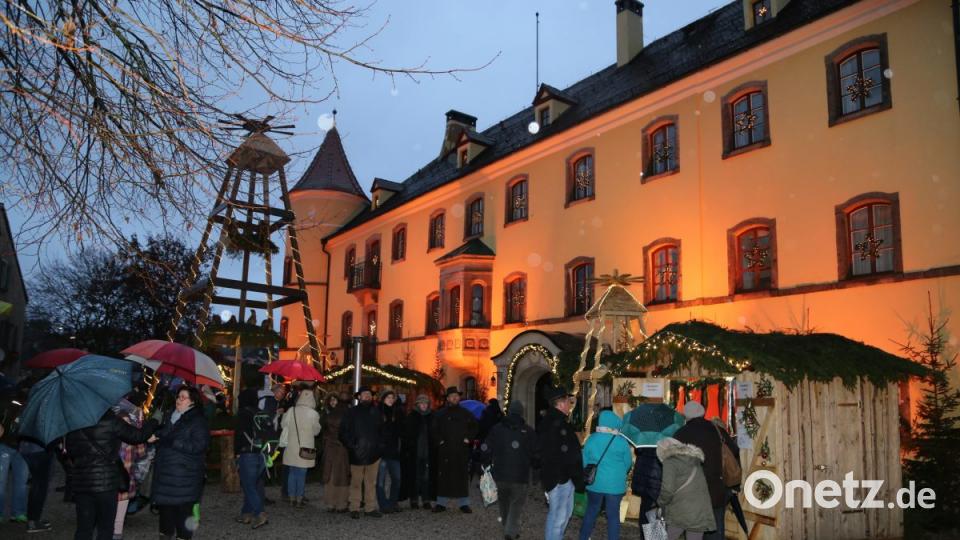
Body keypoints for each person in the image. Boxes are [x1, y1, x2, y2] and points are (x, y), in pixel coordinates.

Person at [63, 406, 157, 540]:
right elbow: (137, 436)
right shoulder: (111, 420)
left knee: (84, 528)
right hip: (107, 482)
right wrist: (152, 422)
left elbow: (71, 452)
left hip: (82, 482)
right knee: (106, 528)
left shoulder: (75, 422)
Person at [151, 385, 210, 540]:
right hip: (165, 475)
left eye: (183, 397)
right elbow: (164, 436)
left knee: (183, 515)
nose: (179, 400)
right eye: (178, 396)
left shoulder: (198, 421)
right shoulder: (170, 416)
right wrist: (156, 436)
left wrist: (172, 441)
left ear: (193, 402)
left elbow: (199, 446)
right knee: (165, 515)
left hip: (185, 476)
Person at [673, 401, 738, 540]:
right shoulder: (717, 430)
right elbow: (734, 451)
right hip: (715, 489)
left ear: (686, 415)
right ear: (703, 413)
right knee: (715, 529)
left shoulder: (680, 434)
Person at [481, 400, 535, 540]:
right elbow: (535, 452)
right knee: (516, 503)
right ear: (521, 413)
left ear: (509, 411)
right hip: (520, 474)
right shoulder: (528, 431)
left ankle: (508, 527)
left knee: (504, 502)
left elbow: (486, 447)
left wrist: (485, 462)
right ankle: (510, 531)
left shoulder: (497, 428)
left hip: (500, 473)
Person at [536, 386, 584, 540]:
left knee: (557, 516)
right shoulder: (559, 424)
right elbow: (569, 455)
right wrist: (577, 478)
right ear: (561, 403)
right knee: (559, 519)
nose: (570, 404)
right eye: (568, 401)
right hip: (560, 478)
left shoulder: (549, 422)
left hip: (555, 477)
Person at [578, 410, 634, 540]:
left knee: (591, 511)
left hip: (595, 483)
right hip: (615, 486)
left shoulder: (591, 439)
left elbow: (584, 461)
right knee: (613, 515)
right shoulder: (621, 441)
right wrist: (619, 473)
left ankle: (584, 537)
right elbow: (628, 464)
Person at [656, 436, 716, 540]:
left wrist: (660, 502)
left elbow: (668, 489)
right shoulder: (694, 459)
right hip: (700, 509)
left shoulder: (670, 462)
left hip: (680, 510)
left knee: (666, 537)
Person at [431, 386, 478, 513]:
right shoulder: (440, 413)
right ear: (447, 398)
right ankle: (441, 503)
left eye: (456, 396)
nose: (455, 397)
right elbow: (433, 429)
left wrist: (469, 438)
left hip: (461, 451)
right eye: (452, 396)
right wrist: (439, 441)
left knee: (462, 477)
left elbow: (475, 426)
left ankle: (464, 504)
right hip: (445, 451)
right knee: (443, 477)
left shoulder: (466, 413)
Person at [112, 390, 151, 540]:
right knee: (119, 513)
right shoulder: (133, 422)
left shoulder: (106, 425)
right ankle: (116, 533)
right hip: (125, 476)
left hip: (106, 477)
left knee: (106, 513)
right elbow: (141, 452)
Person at [338, 386, 383, 519]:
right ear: (359, 397)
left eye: (369, 394)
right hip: (357, 453)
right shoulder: (351, 412)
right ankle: (355, 508)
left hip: (374, 454)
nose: (367, 396)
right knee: (356, 482)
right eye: (364, 394)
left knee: (371, 482)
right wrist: (352, 446)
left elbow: (383, 432)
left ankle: (369, 508)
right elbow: (343, 432)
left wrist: (380, 447)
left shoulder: (377, 412)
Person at [280, 385, 321, 508]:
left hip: (292, 447)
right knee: (302, 473)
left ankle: (291, 497)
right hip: (306, 448)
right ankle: (299, 498)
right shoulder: (313, 414)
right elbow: (316, 432)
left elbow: (283, 425)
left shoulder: (291, 411)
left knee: (292, 473)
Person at [234, 388, 269, 528]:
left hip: (247, 453)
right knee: (252, 484)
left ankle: (260, 513)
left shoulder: (243, 414)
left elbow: (239, 436)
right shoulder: (260, 413)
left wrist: (236, 452)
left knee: (248, 485)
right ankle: (246, 514)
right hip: (262, 453)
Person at [400, 394, 435, 510]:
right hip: (415, 453)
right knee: (414, 477)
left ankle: (426, 499)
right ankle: (414, 499)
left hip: (428, 453)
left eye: (425, 403)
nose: (424, 405)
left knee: (426, 477)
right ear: (417, 405)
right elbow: (406, 435)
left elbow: (435, 434)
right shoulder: (411, 417)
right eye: (421, 403)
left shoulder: (432, 417)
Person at [0, 393, 28, 524]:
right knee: (2, 482)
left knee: (21, 482)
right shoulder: (8, 404)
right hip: (5, 445)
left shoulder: (35, 405)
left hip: (22, 447)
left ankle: (18, 513)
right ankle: (16, 513)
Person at [320, 393, 350, 513]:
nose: (333, 402)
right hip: (338, 447)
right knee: (337, 475)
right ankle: (337, 503)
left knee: (335, 474)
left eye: (335, 400)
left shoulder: (330, 414)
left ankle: (334, 503)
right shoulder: (344, 413)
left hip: (334, 447)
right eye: (331, 400)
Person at [376, 389, 404, 514]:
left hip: (393, 452)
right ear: (383, 398)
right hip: (381, 452)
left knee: (397, 479)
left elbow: (401, 431)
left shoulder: (397, 413)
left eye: (393, 397)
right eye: (388, 397)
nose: (391, 399)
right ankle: (384, 504)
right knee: (380, 481)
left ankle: (393, 503)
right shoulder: (377, 412)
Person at [631, 445, 663, 539]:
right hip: (657, 483)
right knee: (654, 514)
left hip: (643, 482)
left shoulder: (643, 443)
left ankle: (644, 536)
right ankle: (652, 537)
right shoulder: (664, 444)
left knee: (644, 512)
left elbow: (638, 451)